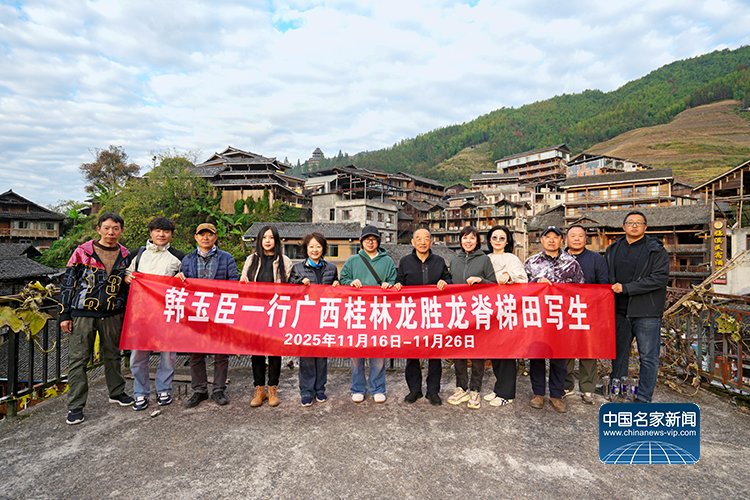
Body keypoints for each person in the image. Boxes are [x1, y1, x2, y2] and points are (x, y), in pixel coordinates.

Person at [59, 213, 134, 425]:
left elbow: (126, 286)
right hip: (83, 313)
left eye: (116, 229)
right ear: (98, 229)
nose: (111, 233)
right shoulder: (83, 252)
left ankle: (117, 392)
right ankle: (75, 406)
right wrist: (64, 314)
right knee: (79, 359)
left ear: (121, 231)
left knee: (113, 355)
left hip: (112, 313)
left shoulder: (125, 255)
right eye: (107, 228)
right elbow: (68, 284)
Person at [605, 211, 669, 403]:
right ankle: (618, 389)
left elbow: (659, 279)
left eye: (638, 223)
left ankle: (643, 396)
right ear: (623, 226)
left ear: (645, 227)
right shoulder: (613, 249)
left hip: (646, 311)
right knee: (619, 355)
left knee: (648, 357)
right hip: (619, 310)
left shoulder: (656, 250)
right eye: (630, 222)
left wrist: (627, 288)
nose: (634, 226)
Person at [125, 217, 184, 411]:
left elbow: (187, 281)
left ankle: (164, 389)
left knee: (168, 354)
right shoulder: (138, 254)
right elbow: (124, 274)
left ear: (171, 235)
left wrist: (181, 278)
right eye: (158, 230)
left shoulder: (178, 257)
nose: (161, 234)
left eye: (166, 231)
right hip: (140, 314)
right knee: (138, 355)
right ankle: (140, 392)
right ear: (150, 232)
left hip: (167, 312)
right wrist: (127, 278)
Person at [178, 223, 239, 409]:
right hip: (195, 312)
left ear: (215, 237)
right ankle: (199, 390)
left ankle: (219, 389)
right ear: (196, 237)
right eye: (201, 234)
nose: (205, 238)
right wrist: (179, 279)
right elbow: (182, 286)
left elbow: (234, 283)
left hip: (219, 311)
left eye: (209, 234)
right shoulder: (187, 259)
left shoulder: (226, 258)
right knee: (196, 353)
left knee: (221, 353)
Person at [524, 226, 584, 413]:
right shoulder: (531, 262)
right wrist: (536, 283)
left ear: (561, 240)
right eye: (547, 237)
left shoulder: (571, 263)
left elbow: (581, 289)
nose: (551, 240)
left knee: (560, 357)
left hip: (561, 317)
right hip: (538, 316)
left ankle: (557, 395)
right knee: (537, 355)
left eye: (555, 237)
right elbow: (521, 289)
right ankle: (538, 393)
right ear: (541, 240)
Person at [339, 225, 397, 403]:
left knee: (378, 352)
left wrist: (389, 285)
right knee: (357, 354)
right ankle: (357, 388)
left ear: (378, 242)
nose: (370, 242)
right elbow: (343, 280)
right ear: (361, 242)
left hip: (379, 313)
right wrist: (351, 282)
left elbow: (394, 281)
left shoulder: (388, 261)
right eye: (367, 239)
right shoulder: (352, 261)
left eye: (373, 239)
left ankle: (378, 388)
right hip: (357, 312)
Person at [393, 228, 452, 406]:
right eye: (418, 239)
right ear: (413, 242)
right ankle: (414, 390)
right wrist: (397, 285)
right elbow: (399, 281)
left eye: (426, 239)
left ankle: (433, 391)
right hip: (412, 314)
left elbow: (449, 280)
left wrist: (445, 282)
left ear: (431, 242)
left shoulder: (439, 261)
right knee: (412, 354)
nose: (422, 242)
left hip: (434, 313)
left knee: (435, 354)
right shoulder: (405, 261)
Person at [240, 225, 292, 408]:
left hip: (276, 312)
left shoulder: (284, 261)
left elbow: (291, 287)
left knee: (274, 351)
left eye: (271, 237)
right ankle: (259, 389)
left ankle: (272, 389)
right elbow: (243, 282)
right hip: (255, 312)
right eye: (264, 237)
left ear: (276, 241)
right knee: (257, 351)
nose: (268, 241)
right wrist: (243, 283)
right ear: (259, 240)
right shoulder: (251, 260)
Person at [447, 226, 497, 410]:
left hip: (478, 311)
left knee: (477, 352)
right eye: (465, 238)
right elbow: (451, 282)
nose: (468, 241)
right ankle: (461, 387)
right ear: (460, 240)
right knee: (458, 351)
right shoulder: (455, 260)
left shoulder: (484, 259)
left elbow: (494, 285)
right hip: (458, 311)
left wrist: (481, 281)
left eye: (472, 238)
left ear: (477, 241)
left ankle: (475, 389)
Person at [289, 232, 340, 406]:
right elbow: (290, 289)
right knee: (307, 356)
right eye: (311, 246)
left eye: (318, 246)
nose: (315, 250)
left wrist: (337, 284)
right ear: (306, 249)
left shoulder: (331, 268)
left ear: (323, 249)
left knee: (322, 356)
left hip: (324, 316)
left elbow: (336, 288)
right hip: (305, 317)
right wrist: (299, 283)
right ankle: (306, 391)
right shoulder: (297, 268)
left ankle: (320, 389)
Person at [563, 224, 609, 404]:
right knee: (564, 350)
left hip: (589, 311)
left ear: (586, 239)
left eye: (580, 235)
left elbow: (604, 285)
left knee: (588, 350)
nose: (576, 239)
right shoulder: (559, 258)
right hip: (563, 311)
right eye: (572, 235)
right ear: (566, 239)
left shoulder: (596, 259)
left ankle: (587, 388)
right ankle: (566, 386)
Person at [484, 225, 528, 408]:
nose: (498, 241)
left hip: (507, 309)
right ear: (489, 240)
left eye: (502, 238)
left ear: (507, 241)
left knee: (507, 351)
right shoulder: (485, 258)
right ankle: (498, 387)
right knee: (494, 351)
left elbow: (523, 278)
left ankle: (506, 393)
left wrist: (508, 275)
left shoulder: (512, 258)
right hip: (489, 309)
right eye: (494, 237)